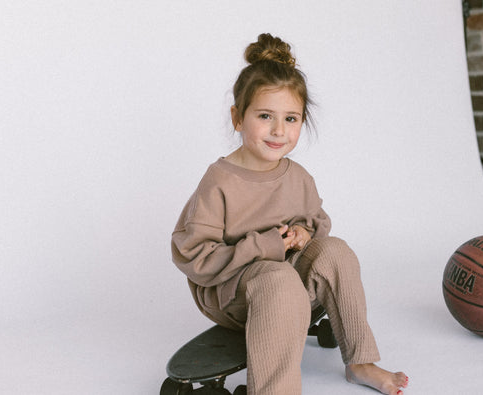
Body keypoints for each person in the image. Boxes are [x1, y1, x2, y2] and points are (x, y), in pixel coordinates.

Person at [171, 33, 408, 395]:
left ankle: (359, 360)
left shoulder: (297, 176)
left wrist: (302, 234)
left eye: (291, 118)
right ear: (237, 117)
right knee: (278, 279)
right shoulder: (220, 181)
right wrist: (263, 246)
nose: (279, 130)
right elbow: (194, 256)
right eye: (265, 116)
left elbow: (317, 223)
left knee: (337, 251)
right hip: (233, 293)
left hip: (287, 288)